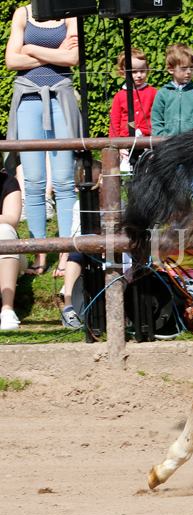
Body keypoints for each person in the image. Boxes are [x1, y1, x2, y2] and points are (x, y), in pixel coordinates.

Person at [4, 3, 79, 277]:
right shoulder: (23, 13)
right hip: (28, 98)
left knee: (64, 181)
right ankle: (39, 254)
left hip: (61, 96)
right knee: (33, 182)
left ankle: (65, 253)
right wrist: (56, 54)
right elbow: (12, 61)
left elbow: (73, 58)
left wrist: (31, 49)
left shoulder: (70, 13)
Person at [151, 43, 193, 209]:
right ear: (170, 69)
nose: (189, 72)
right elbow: (156, 120)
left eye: (191, 68)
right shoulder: (163, 94)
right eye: (184, 68)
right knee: (176, 190)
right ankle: (179, 225)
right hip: (173, 150)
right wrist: (163, 141)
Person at [108, 48, 157, 170]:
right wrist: (117, 145)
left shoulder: (153, 93)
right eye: (134, 72)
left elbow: (158, 117)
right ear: (123, 72)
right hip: (125, 142)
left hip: (148, 141)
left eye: (142, 71)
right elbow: (114, 122)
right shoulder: (119, 96)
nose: (139, 75)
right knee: (128, 172)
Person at [0, 164, 23, 330]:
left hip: (9, 252)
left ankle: (7, 309)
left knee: (5, 231)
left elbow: (12, 218)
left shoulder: (8, 182)